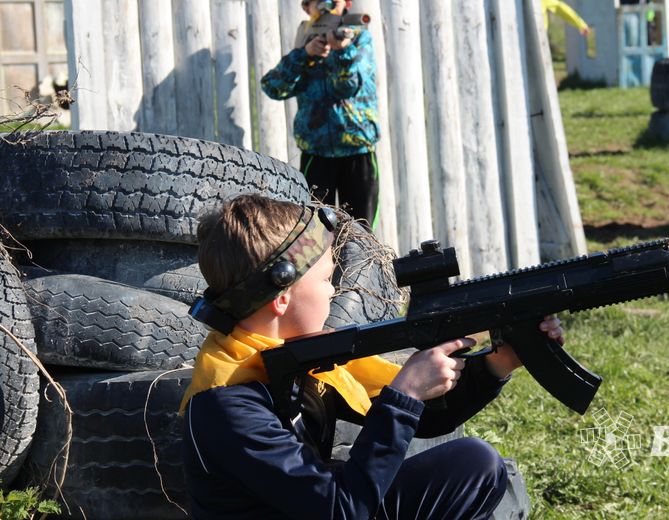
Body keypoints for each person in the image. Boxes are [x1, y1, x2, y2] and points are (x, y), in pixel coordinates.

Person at [179, 193, 566, 519]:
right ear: (281, 298)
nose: (333, 291)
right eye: (326, 279)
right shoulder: (228, 405)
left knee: (473, 467)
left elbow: (422, 418)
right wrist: (405, 395)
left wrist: (498, 363)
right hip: (334, 509)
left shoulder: (284, 359)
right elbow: (341, 510)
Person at [261, 0, 380, 229]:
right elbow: (273, 87)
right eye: (320, 3)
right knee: (314, 234)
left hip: (357, 151)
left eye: (334, 3)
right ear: (307, 8)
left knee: (361, 234)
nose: (328, 9)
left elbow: (349, 87)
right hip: (316, 153)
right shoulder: (306, 40)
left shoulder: (358, 38)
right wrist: (304, 55)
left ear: (347, 4)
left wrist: (342, 51)